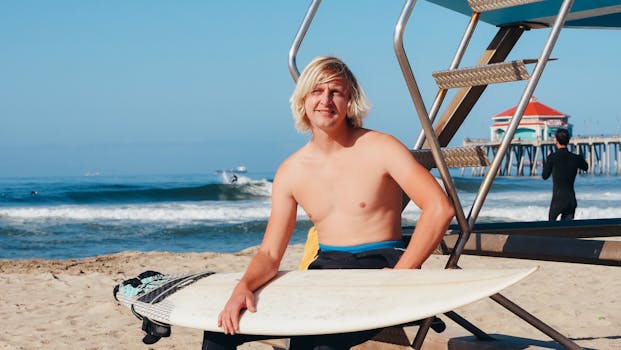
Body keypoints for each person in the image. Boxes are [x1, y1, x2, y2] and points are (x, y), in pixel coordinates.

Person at [203, 56, 454, 349]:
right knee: (220, 331)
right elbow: (270, 253)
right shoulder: (291, 170)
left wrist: (404, 271)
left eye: (335, 92)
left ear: (350, 101)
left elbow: (439, 208)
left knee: (313, 343)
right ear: (303, 100)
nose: (326, 100)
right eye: (316, 91)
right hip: (324, 269)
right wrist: (243, 287)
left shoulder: (381, 148)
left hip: (380, 263)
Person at [542, 128, 588, 221]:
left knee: (551, 227)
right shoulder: (575, 158)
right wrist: (580, 156)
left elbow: (544, 176)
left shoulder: (552, 158)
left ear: (556, 141)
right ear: (568, 140)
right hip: (571, 199)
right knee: (567, 230)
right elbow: (585, 167)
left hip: (558, 200)